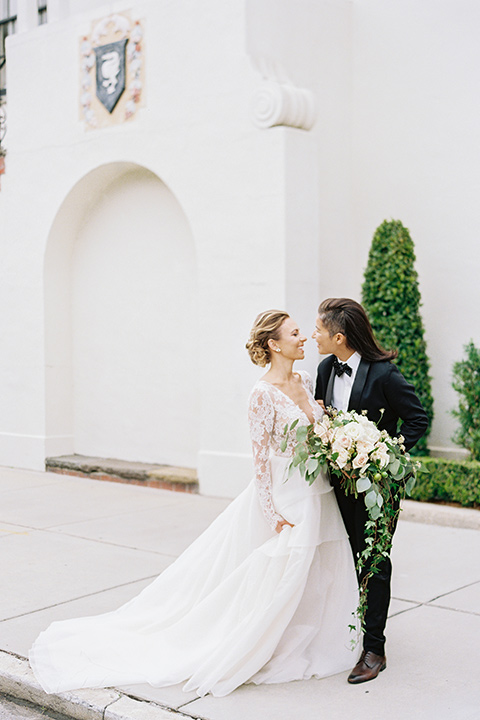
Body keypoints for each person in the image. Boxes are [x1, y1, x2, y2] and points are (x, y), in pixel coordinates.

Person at [30, 310, 358, 698]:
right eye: (295, 333)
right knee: (276, 576)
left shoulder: (306, 378)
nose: (303, 338)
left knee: (319, 570)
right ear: (273, 344)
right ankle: (262, 641)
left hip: (316, 490)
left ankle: (309, 638)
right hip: (286, 496)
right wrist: (272, 514)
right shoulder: (261, 394)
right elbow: (259, 461)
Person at [313, 298, 429, 685]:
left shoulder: (384, 375)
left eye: (320, 330)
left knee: (373, 563)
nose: (315, 335)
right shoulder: (325, 368)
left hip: (378, 489)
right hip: (339, 486)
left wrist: (387, 456)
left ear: (340, 337)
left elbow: (417, 419)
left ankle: (374, 649)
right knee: (344, 559)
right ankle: (344, 634)